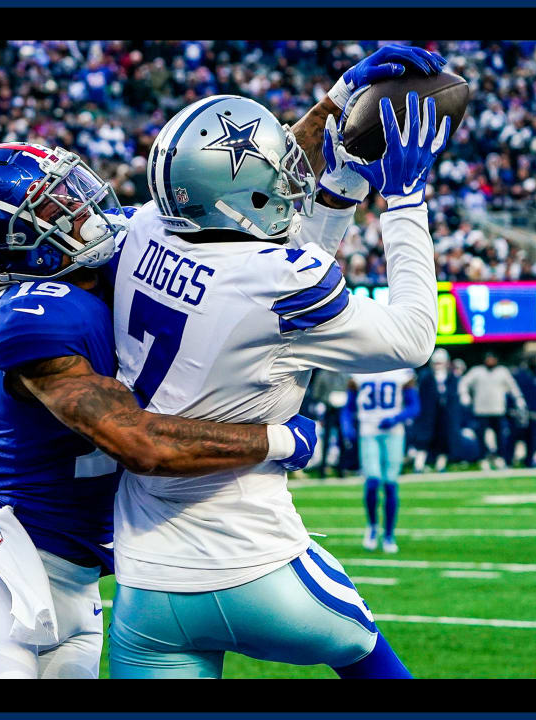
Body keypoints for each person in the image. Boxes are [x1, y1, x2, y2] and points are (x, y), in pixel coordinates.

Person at [105, 46, 446, 680]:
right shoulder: (281, 276)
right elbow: (412, 339)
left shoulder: (145, 226)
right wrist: (404, 203)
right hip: (256, 563)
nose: (289, 179)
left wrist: (341, 103)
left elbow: (243, 195)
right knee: (374, 665)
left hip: (146, 584)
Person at [0, 133, 321, 679]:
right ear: (15, 242)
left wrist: (337, 105)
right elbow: (140, 443)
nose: (78, 205)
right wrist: (280, 440)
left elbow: (236, 182)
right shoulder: (33, 313)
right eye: (52, 203)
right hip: (4, 564)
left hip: (82, 579)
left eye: (69, 189)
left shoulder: (120, 256)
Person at [352, 368, 419, 553]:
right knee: (372, 481)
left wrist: (397, 418)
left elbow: (414, 406)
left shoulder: (401, 371)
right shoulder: (359, 370)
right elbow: (349, 405)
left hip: (394, 433)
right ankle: (372, 526)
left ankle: (389, 534)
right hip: (368, 431)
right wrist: (347, 424)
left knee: (390, 483)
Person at [459, 351, 526, 471]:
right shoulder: (477, 371)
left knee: (500, 436)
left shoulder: (502, 371)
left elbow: (513, 386)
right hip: (481, 410)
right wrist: (464, 395)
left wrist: (518, 399)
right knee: (481, 436)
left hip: (498, 410)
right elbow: (463, 383)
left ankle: (499, 458)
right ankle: (483, 458)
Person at [412, 348, 460, 473]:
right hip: (428, 413)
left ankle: (441, 464)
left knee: (444, 438)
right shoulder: (425, 377)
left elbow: (453, 395)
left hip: (445, 413)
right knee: (424, 439)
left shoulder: (451, 377)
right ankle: (419, 465)